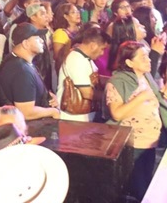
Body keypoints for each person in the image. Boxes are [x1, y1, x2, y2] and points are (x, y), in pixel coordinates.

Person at [105, 40, 167, 201]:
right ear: (129, 62)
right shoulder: (118, 82)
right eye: (143, 57)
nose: (149, 60)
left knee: (147, 185)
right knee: (139, 191)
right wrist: (141, 97)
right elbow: (116, 114)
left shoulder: (146, 77)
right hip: (133, 146)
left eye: (148, 56)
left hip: (150, 144)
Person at [0, 23, 61, 120]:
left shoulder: (19, 63)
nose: (41, 40)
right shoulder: (21, 70)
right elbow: (26, 112)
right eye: (37, 38)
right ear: (25, 43)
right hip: (33, 127)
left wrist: (48, 97)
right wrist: (53, 111)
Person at [56, 25, 109, 122]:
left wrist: (113, 81)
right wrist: (110, 97)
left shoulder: (85, 58)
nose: (102, 53)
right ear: (93, 46)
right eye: (102, 49)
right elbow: (87, 93)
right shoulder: (77, 60)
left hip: (83, 118)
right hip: (73, 120)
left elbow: (93, 77)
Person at [52, 3, 81, 71]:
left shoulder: (82, 29)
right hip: (68, 68)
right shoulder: (60, 33)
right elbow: (57, 56)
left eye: (77, 11)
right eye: (73, 12)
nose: (78, 14)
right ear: (65, 16)